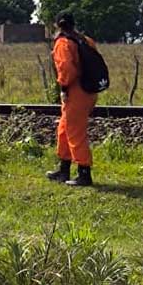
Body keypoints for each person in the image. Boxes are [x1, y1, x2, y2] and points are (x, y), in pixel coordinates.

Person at [45, 12, 98, 187]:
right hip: (89, 90)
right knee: (64, 128)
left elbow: (66, 70)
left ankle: (84, 174)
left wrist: (64, 87)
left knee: (75, 132)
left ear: (57, 25)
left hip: (75, 91)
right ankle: (64, 168)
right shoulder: (85, 39)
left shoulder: (63, 43)